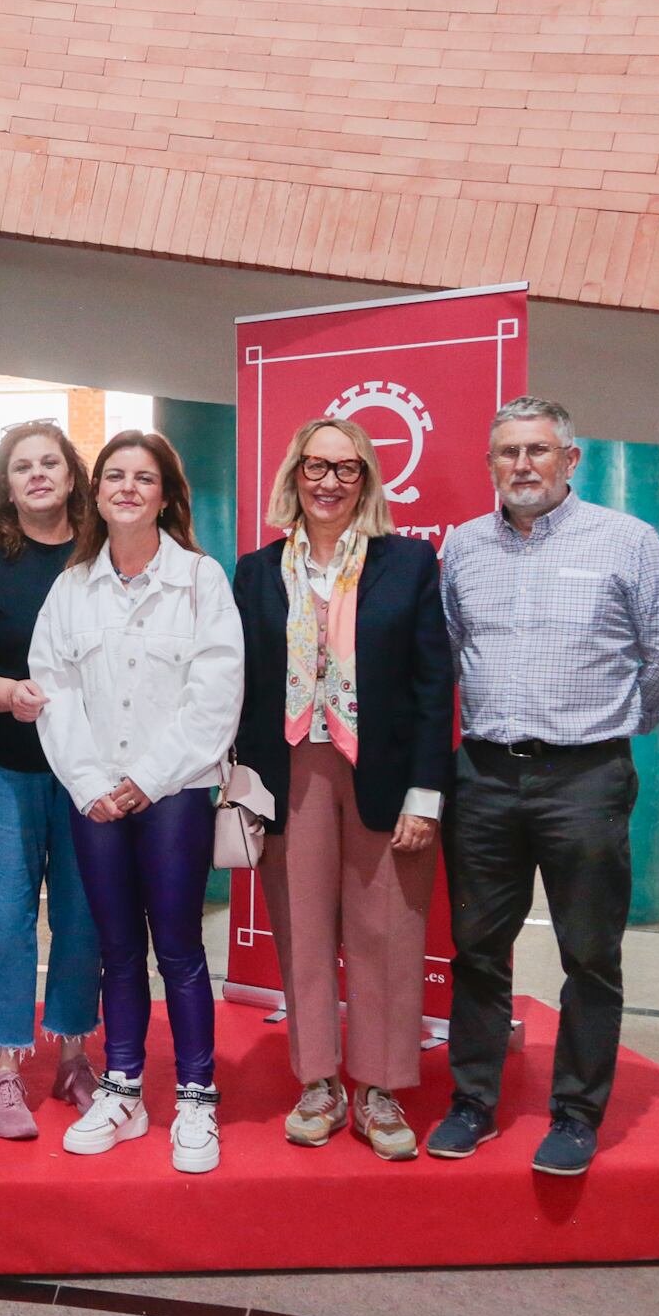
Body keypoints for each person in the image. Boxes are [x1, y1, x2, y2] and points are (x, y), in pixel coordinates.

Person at [427, 395, 659, 1176]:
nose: (522, 465)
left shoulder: (626, 540)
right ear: (490, 465)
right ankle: (473, 1100)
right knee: (476, 949)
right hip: (482, 775)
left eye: (538, 451)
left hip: (585, 775)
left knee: (590, 952)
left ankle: (576, 1112)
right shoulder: (465, 546)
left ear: (570, 460)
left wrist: (613, 725)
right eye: (507, 452)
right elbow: (450, 647)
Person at [233, 417, 453, 1161]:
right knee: (301, 934)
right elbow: (240, 688)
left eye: (346, 468)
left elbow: (434, 685)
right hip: (291, 770)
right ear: (294, 474)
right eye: (315, 467)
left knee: (387, 930)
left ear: (366, 480)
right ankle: (319, 1080)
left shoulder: (410, 564)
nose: (329, 482)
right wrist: (239, 787)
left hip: (383, 773)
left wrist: (427, 792)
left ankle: (381, 1086)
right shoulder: (256, 572)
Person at [30, 429, 243, 1171]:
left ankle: (195, 1095)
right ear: (97, 493)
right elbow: (51, 690)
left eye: (142, 477)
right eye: (114, 475)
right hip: (95, 799)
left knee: (178, 947)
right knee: (115, 948)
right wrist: (91, 784)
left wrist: (145, 779)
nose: (126, 487)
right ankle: (122, 1089)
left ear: (165, 494)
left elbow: (216, 695)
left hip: (174, 792)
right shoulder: (72, 585)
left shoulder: (200, 581)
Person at [0, 420, 102, 1141]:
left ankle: (73, 1054)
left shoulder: (103, 556)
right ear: (4, 484)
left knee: (82, 910)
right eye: (21, 466)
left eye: (50, 463)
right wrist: (11, 694)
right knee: (4, 911)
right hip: (3, 763)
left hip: (88, 768)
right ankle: (2, 1068)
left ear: (72, 476)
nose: (37, 475)